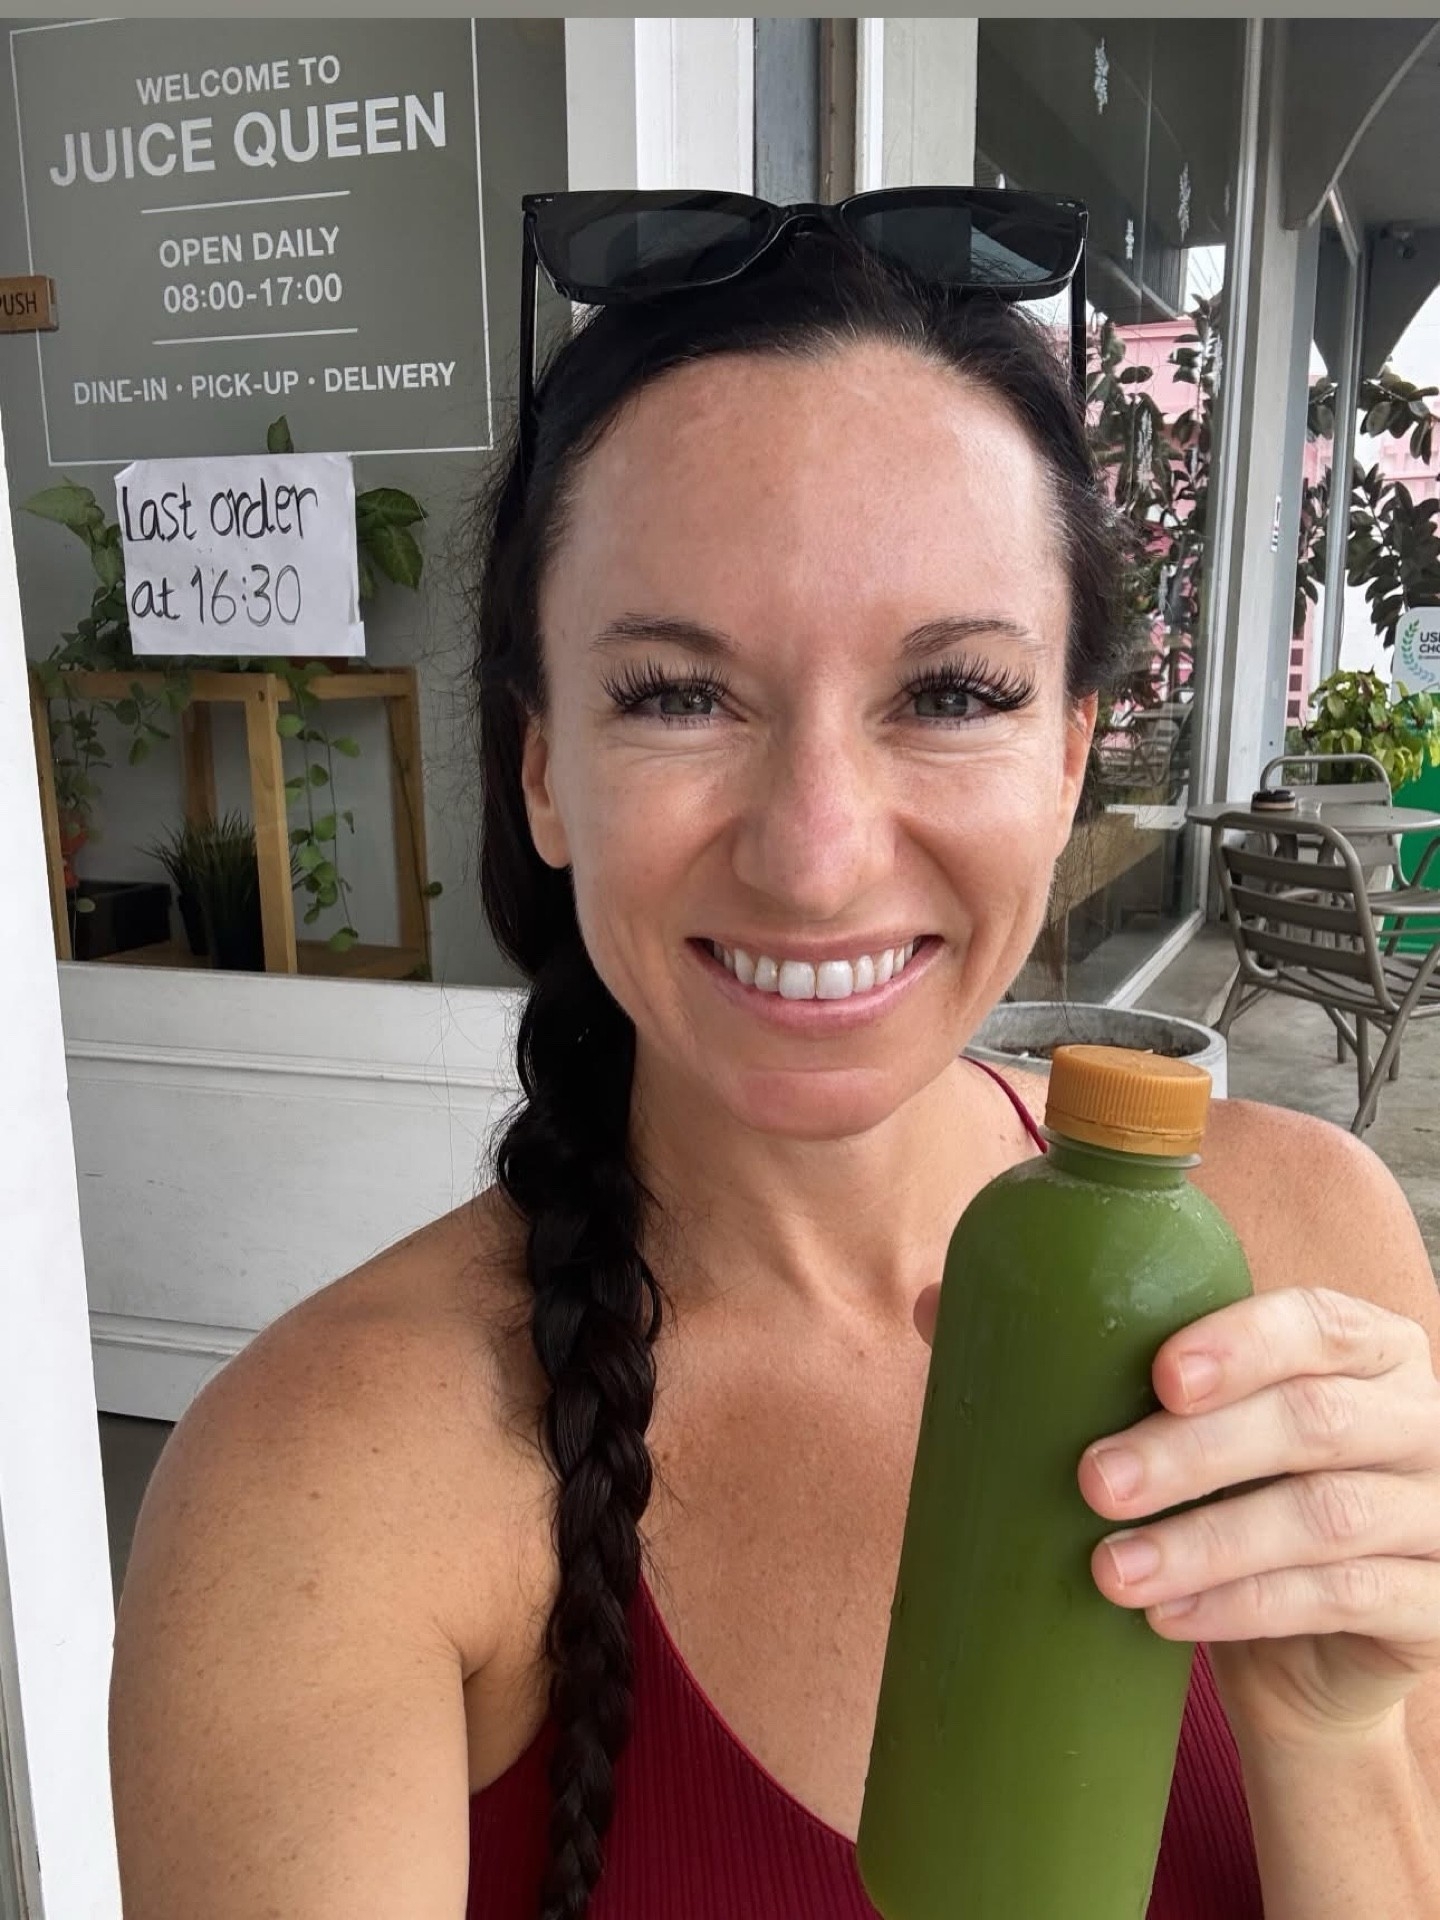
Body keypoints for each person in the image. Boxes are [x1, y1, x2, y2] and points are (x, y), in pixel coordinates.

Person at [110, 197, 1440, 1920]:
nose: (815, 857)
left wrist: (1336, 1736)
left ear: (1068, 757)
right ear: (539, 769)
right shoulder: (318, 1486)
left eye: (952, 694)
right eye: (679, 694)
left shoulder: (1309, 1259)